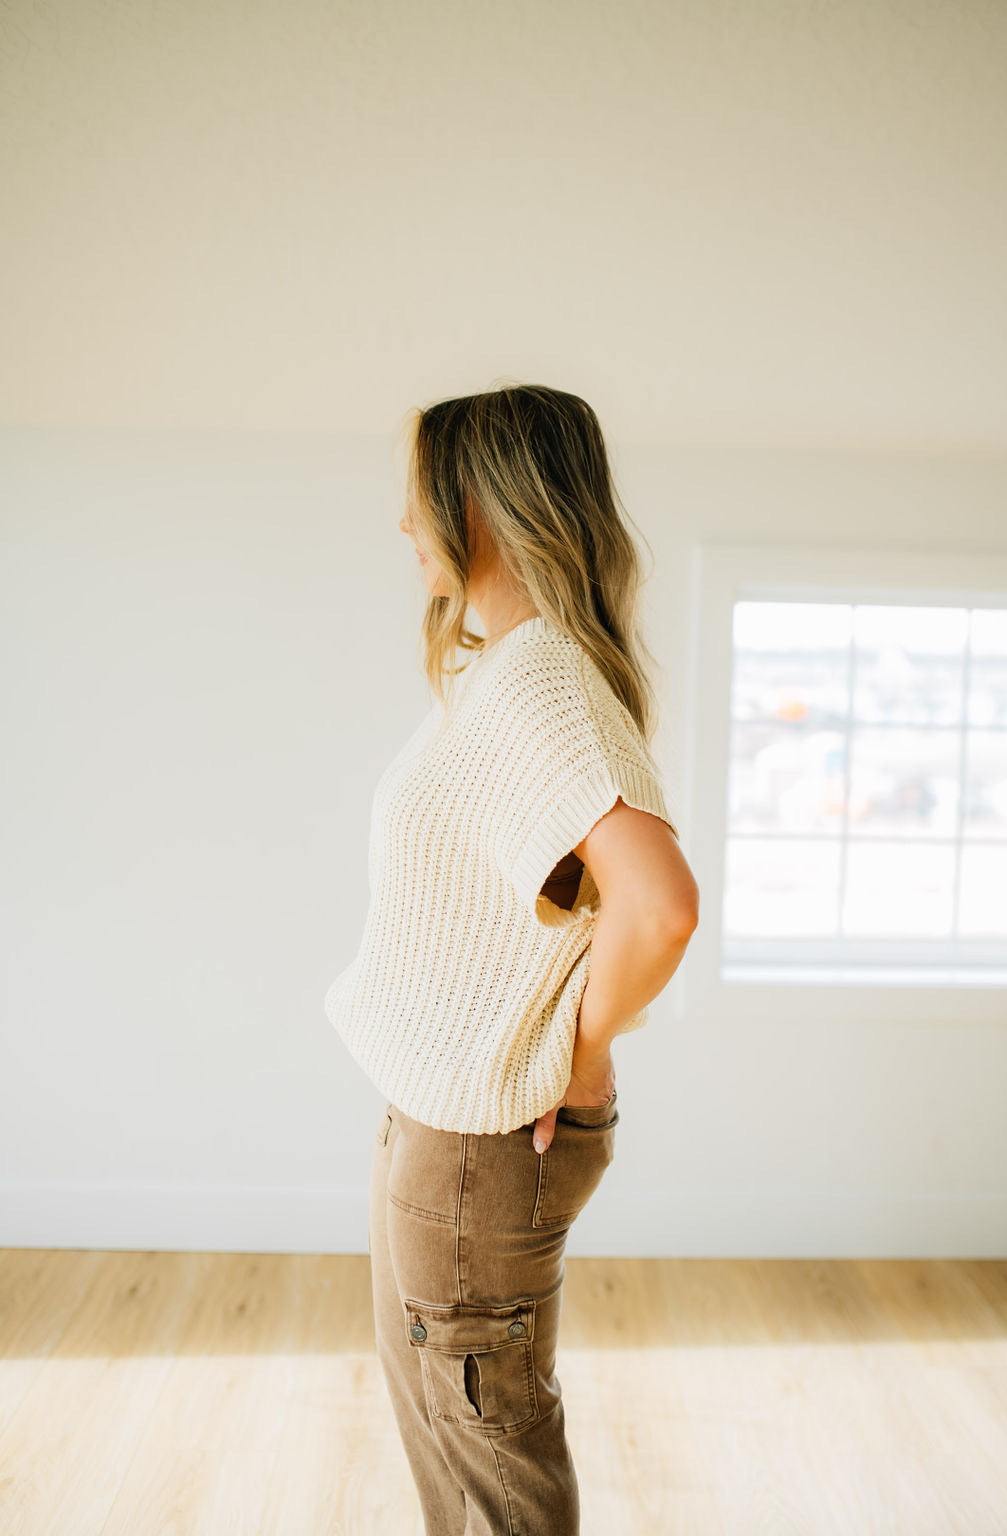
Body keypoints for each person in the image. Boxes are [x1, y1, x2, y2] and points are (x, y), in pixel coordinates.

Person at [324, 383, 699, 1534]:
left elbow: (661, 906)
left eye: (417, 495)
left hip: (479, 1153)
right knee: (452, 1451)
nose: (401, 524)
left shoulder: (543, 687)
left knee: (490, 1469)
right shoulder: (512, 674)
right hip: (441, 1132)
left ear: (479, 503)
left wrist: (582, 1060)